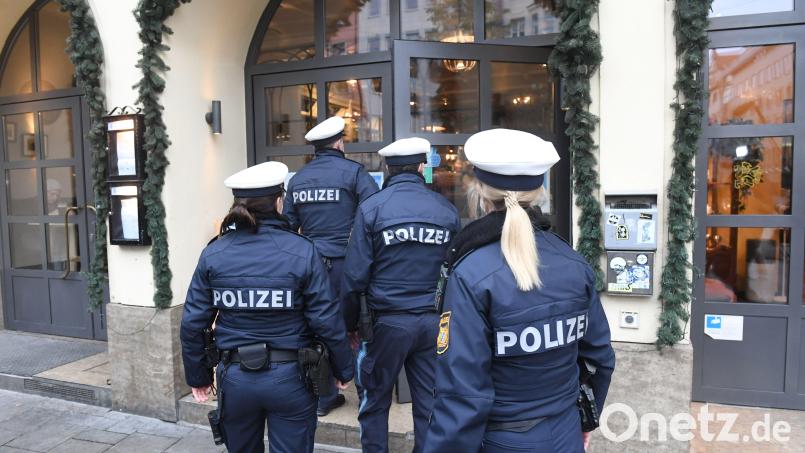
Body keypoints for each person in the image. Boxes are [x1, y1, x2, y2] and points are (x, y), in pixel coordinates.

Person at [424, 129, 616, 453]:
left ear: (482, 193)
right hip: (566, 434)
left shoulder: (471, 274)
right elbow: (600, 359)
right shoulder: (573, 262)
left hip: (502, 441)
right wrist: (583, 420)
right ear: (540, 189)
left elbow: (463, 395)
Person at [180, 161, 354, 453]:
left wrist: (197, 377)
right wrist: (342, 369)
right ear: (278, 202)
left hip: (235, 380)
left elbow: (193, 323)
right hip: (292, 377)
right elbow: (326, 318)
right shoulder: (302, 250)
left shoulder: (214, 253)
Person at [341, 138, 461, 452]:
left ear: (387, 168)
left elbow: (354, 276)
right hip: (433, 324)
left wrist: (350, 324)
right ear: (423, 167)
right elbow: (456, 274)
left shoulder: (371, 208)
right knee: (430, 406)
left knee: (374, 402)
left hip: (386, 325)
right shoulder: (446, 210)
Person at [283, 115, 379, 415]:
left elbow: (288, 226)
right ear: (340, 142)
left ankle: (323, 396)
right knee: (358, 326)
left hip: (310, 266)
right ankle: (364, 392)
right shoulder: (353, 173)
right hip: (346, 264)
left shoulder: (298, 179)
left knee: (316, 327)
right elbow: (375, 213)